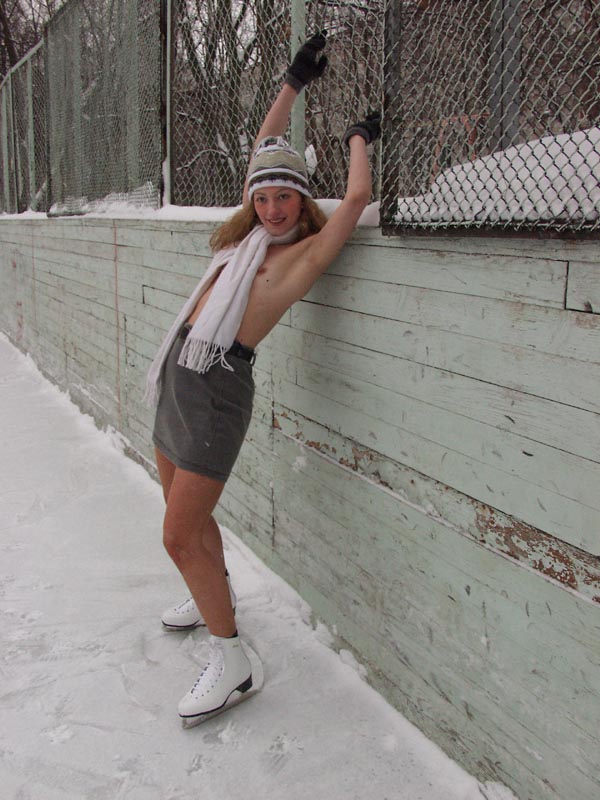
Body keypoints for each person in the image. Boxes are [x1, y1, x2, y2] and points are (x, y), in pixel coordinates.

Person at [145, 32, 381, 724]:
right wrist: (292, 82)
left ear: (301, 203)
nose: (274, 208)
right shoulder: (248, 240)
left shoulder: (300, 257)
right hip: (182, 372)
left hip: (217, 389)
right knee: (188, 521)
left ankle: (232, 661)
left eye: (286, 197)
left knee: (177, 534)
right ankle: (210, 591)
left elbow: (358, 196)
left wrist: (358, 136)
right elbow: (264, 146)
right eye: (265, 197)